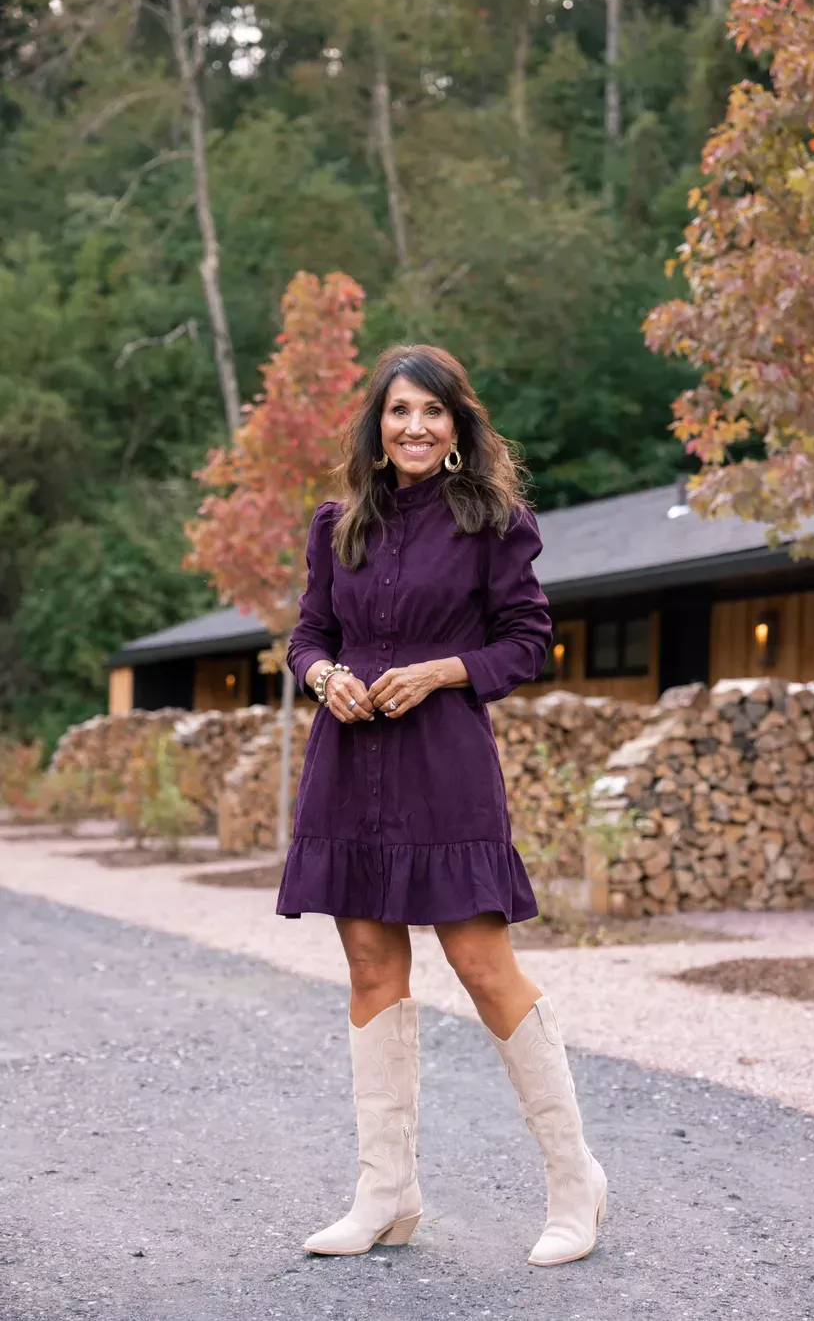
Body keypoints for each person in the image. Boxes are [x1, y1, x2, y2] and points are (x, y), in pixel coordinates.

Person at [276, 344, 607, 1268]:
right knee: (372, 970)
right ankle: (387, 1194)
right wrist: (325, 675)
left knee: (483, 965)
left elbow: (528, 641)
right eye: (398, 411)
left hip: (446, 766)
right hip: (348, 766)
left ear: (457, 426)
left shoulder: (493, 522)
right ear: (376, 427)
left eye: (432, 411)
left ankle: (574, 1184)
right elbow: (308, 632)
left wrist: (446, 669)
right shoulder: (338, 523)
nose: (414, 426)